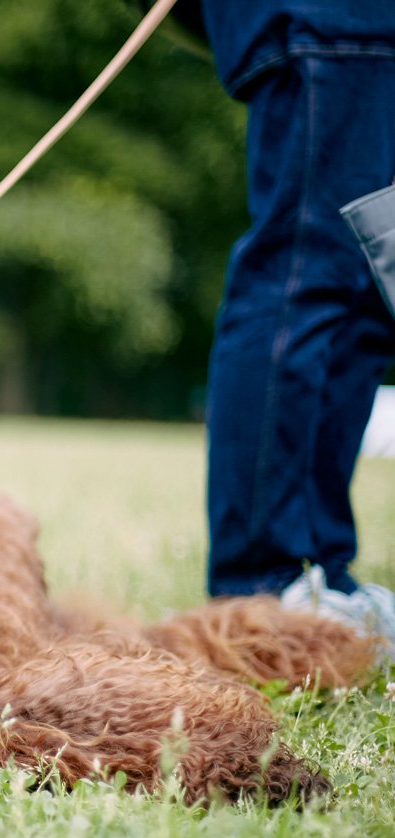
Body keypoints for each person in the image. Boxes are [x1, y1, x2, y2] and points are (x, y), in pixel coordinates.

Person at [198, 0, 395, 654]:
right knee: (307, 266)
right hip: (330, 17)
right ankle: (262, 583)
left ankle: (322, 570)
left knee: (366, 280)